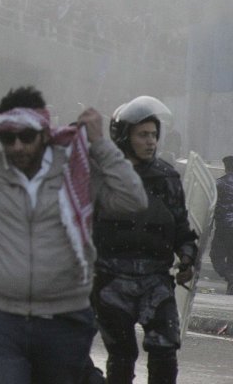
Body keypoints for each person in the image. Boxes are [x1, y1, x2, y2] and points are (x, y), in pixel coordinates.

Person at [0, 86, 147, 384]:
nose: (17, 146)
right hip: (0, 320)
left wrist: (99, 143)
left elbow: (134, 199)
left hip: (64, 322)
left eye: (26, 137)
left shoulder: (75, 171)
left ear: (44, 134)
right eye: (7, 137)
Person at [92, 96, 198, 383]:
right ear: (125, 137)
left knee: (165, 353)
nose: (151, 141)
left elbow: (181, 227)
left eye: (153, 134)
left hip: (156, 281)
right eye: (143, 135)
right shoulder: (103, 177)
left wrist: (187, 257)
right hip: (113, 281)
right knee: (122, 357)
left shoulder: (167, 178)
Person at [211, 155, 233, 294]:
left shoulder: (219, 184)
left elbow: (210, 204)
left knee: (216, 256)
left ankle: (231, 278)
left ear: (226, 168)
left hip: (224, 227)